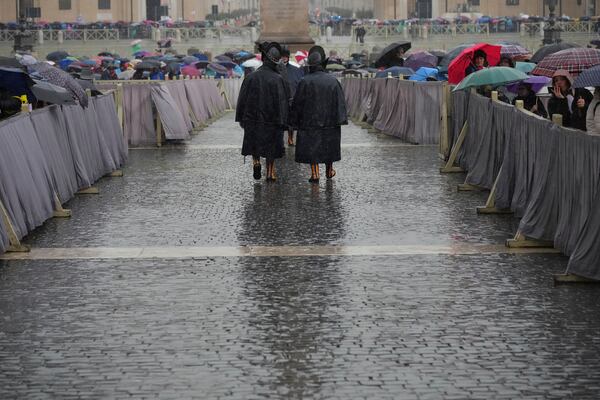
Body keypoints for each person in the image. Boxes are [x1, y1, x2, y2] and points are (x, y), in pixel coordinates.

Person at [291, 46, 348, 183]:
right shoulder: (333, 81)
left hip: (310, 122)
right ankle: (329, 170)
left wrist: (294, 121)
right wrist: (340, 119)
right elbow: (340, 103)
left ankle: (315, 173)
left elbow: (297, 104)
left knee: (312, 150)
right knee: (329, 148)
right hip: (330, 123)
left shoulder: (304, 81)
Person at [236, 42, 289, 181]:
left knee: (254, 144)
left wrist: (241, 118)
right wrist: (285, 120)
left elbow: (242, 99)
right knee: (271, 148)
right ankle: (270, 172)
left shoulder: (250, 77)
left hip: (252, 119)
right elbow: (283, 102)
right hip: (272, 120)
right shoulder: (278, 79)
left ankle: (256, 162)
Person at [281, 47, 304, 146]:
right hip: (280, 99)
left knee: (291, 121)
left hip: (292, 99)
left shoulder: (296, 70)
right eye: (282, 56)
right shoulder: (275, 70)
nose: (284, 58)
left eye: (285, 56)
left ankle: (291, 138)